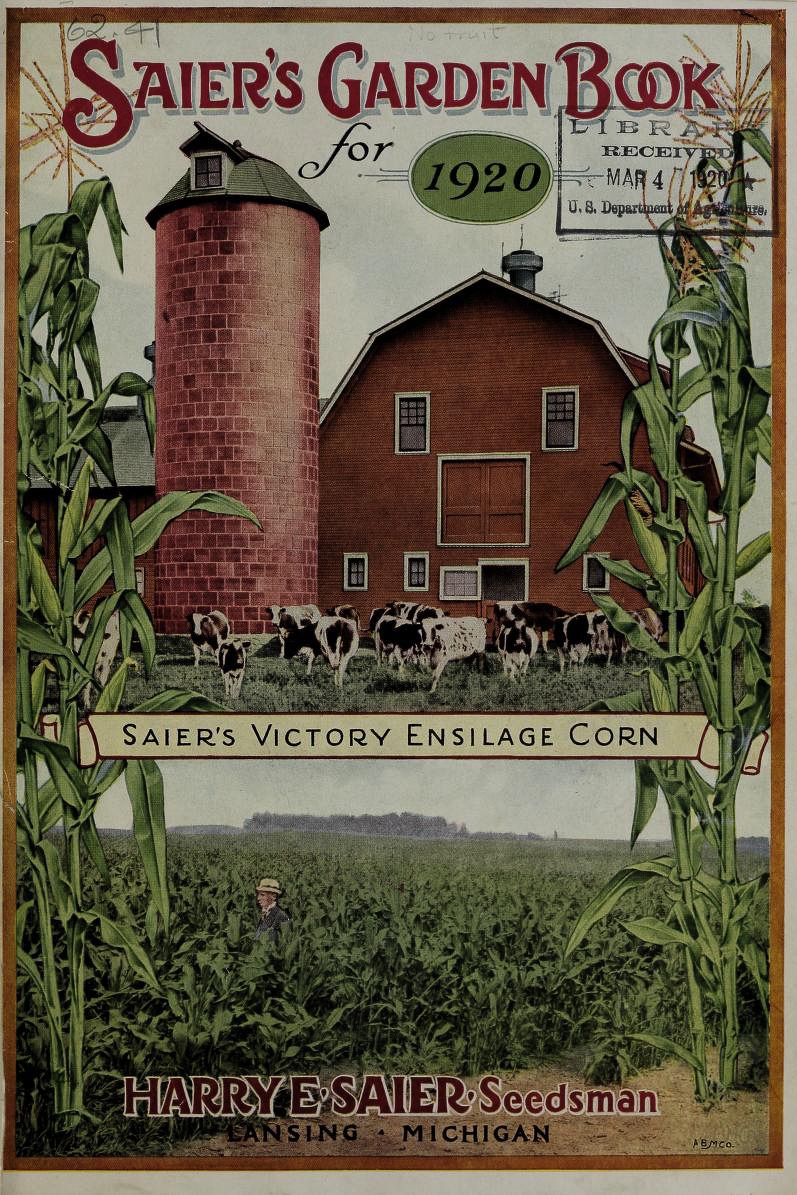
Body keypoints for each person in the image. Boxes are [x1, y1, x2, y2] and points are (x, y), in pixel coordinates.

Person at [253, 878, 291, 942]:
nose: (258, 898)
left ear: (274, 896)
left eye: (262, 895)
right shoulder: (264, 913)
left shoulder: (282, 916)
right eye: (258, 894)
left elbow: (284, 943)